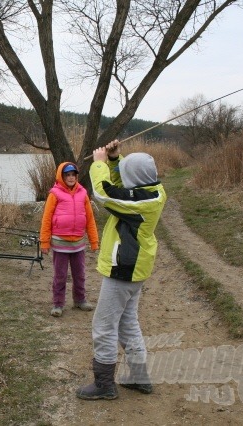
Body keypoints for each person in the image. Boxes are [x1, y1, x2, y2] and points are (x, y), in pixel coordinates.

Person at [76, 140, 167, 400]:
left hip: (123, 270)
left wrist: (99, 164)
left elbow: (105, 193)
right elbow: (123, 188)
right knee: (127, 323)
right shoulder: (151, 190)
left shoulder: (141, 201)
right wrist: (116, 161)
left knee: (104, 326)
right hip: (134, 268)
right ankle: (140, 378)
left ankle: (104, 385)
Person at [40, 162, 100, 317]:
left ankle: (80, 300)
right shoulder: (54, 194)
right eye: (68, 175)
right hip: (60, 243)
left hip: (78, 244)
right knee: (60, 276)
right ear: (62, 176)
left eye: (73, 175)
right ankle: (58, 304)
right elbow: (46, 219)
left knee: (79, 274)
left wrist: (94, 241)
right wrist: (44, 242)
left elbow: (90, 219)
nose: (71, 177)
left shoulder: (83, 194)